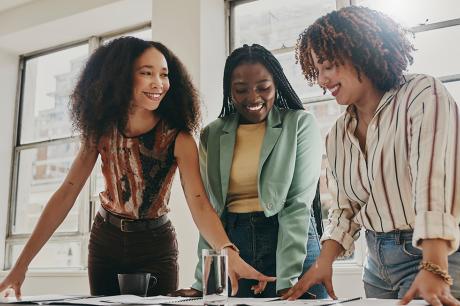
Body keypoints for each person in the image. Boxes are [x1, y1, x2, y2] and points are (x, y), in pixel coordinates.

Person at [0, 37, 274, 298]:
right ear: (121, 76)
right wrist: (20, 266)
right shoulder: (101, 132)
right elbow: (66, 194)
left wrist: (227, 251)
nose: (158, 83)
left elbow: (200, 203)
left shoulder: (179, 138)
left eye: (164, 74)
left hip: (156, 245)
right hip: (105, 240)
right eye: (147, 73)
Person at [282, 6, 460, 306]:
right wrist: (322, 263)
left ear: (360, 52)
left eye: (327, 66)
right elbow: (345, 209)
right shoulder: (338, 133)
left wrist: (434, 266)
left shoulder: (421, 94)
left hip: (432, 254)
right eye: (317, 70)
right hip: (377, 268)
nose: (322, 80)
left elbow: (435, 184)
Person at [174, 44, 328, 298]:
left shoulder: (299, 124)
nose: (253, 97)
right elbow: (212, 211)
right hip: (236, 248)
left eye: (263, 88)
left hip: (292, 244)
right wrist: (204, 280)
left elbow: (297, 205)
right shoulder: (213, 134)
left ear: (276, 84)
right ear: (229, 91)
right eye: (241, 90)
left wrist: (287, 280)